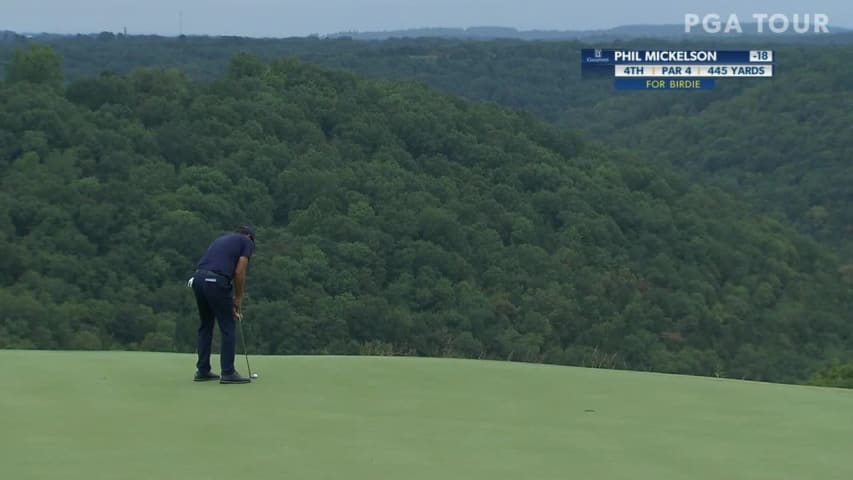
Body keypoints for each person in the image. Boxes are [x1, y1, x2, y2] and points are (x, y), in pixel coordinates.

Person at [189, 225, 255, 384]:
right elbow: (239, 272)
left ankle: (203, 370)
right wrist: (238, 299)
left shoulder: (222, 239)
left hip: (197, 279)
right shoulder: (247, 242)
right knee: (227, 326)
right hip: (215, 281)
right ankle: (228, 372)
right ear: (249, 237)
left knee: (206, 325)